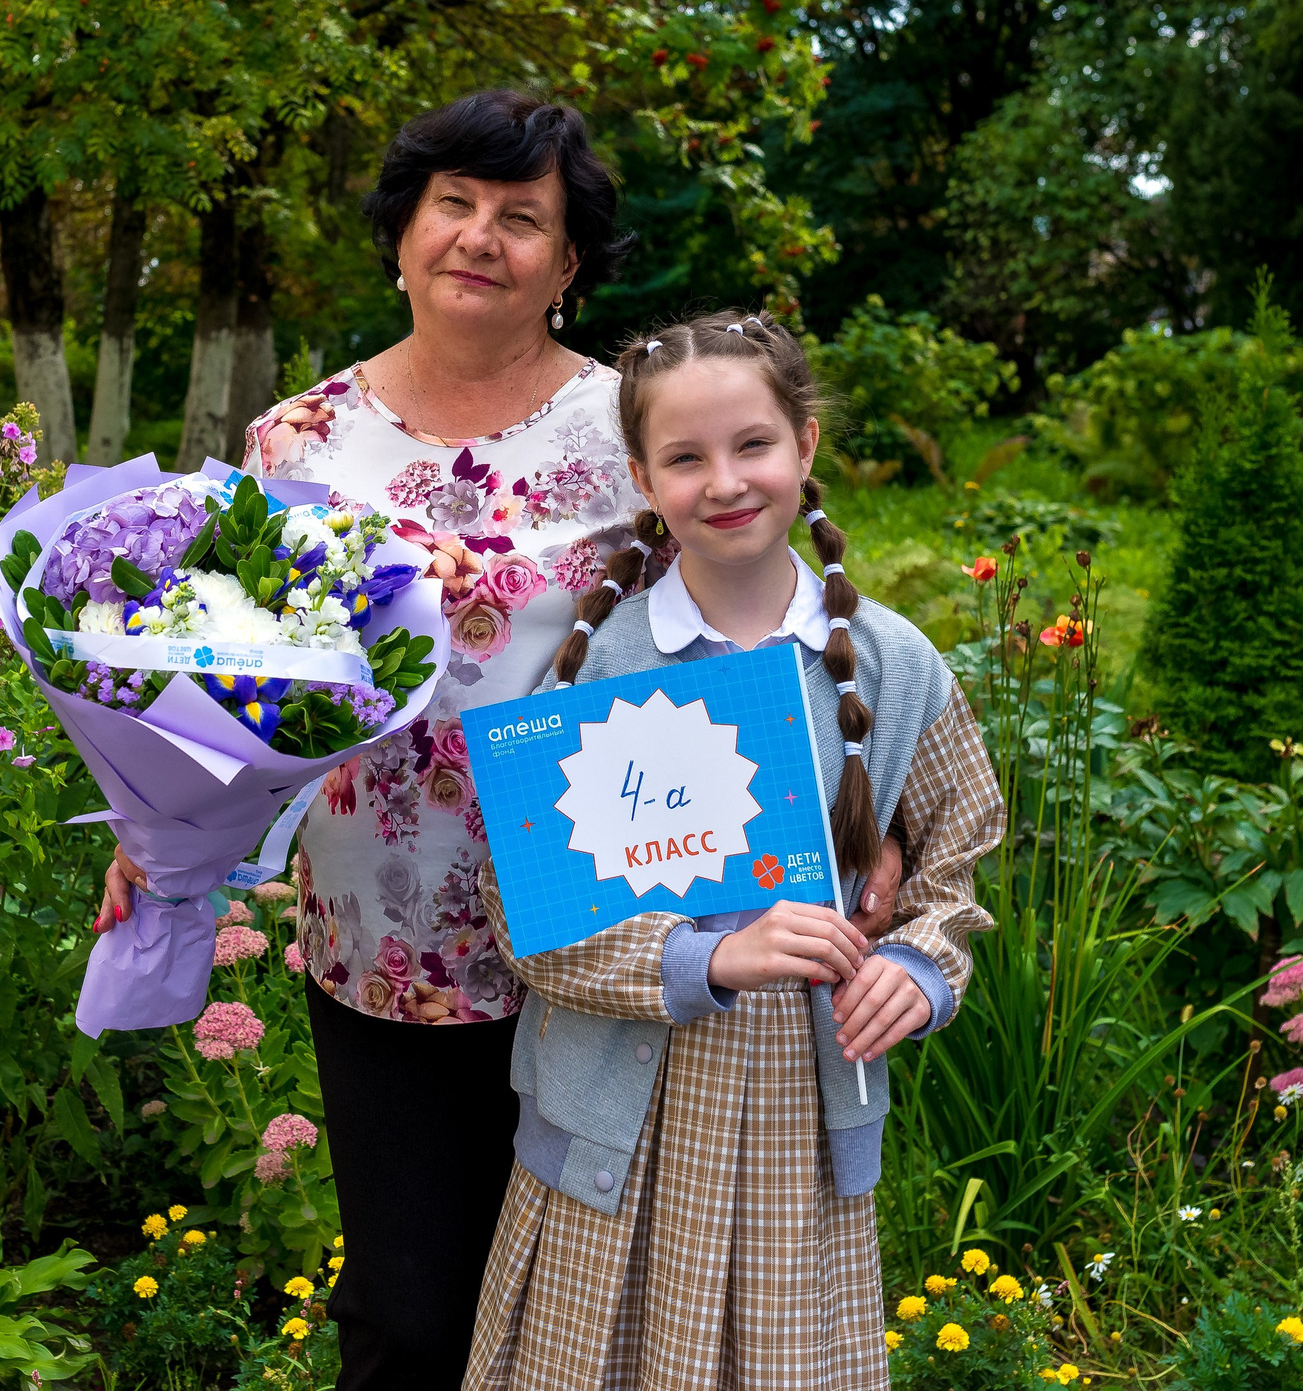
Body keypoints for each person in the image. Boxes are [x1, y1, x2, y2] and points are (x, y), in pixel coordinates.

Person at [93, 93, 909, 1388]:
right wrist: (161, 829)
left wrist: (860, 810)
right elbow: (227, 677)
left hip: (623, 915)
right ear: (403, 235)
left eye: (522, 217)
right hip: (386, 931)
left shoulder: (638, 427)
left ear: (569, 262)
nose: (481, 236)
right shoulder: (297, 437)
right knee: (410, 1315)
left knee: (603, 1307)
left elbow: (759, 614)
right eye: (453, 205)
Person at [463, 309, 1007, 1391]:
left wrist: (915, 969)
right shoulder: (597, 667)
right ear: (641, 478)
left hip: (798, 1132)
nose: (724, 481)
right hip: (615, 1137)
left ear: (805, 446)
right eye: (684, 457)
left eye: (752, 444)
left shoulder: (895, 666)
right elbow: (521, 910)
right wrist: (704, 958)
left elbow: (955, 867)